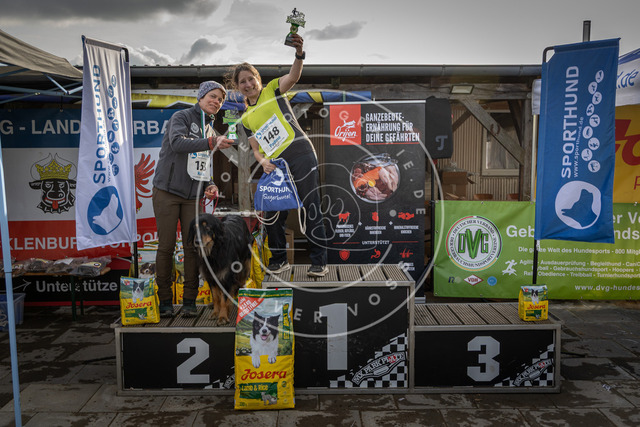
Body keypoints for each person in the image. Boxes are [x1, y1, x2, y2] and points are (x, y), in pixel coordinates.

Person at [231, 34, 328, 277]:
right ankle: (279, 259)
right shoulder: (245, 119)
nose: (248, 84)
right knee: (273, 212)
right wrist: (263, 161)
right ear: (237, 87)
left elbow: (294, 76)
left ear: (258, 79)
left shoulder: (273, 89)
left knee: (310, 206)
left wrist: (299, 53)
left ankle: (319, 262)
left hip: (301, 153)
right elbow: (256, 149)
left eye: (251, 78)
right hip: (277, 166)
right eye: (242, 82)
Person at [152, 81, 233, 317]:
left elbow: (202, 164)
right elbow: (177, 143)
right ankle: (165, 301)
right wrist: (212, 142)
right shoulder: (181, 116)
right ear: (201, 96)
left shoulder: (209, 128)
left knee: (193, 248)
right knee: (166, 247)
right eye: (213, 96)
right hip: (167, 192)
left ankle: (189, 301)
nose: (216, 101)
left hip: (192, 197)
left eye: (220, 99)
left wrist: (210, 184)